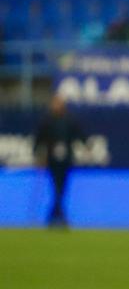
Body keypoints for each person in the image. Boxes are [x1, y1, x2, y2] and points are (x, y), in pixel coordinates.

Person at [34, 95, 84, 227]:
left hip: (66, 159)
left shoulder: (69, 120)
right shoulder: (47, 121)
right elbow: (39, 138)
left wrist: (86, 144)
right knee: (56, 187)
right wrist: (38, 155)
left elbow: (79, 134)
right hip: (52, 159)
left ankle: (54, 215)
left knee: (62, 188)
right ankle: (59, 216)